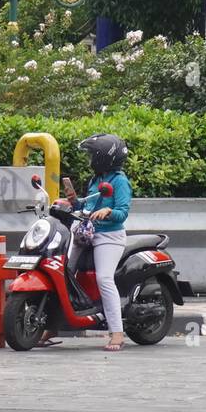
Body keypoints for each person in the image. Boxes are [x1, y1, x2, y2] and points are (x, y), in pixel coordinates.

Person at [76, 134, 133, 351]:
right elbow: (85, 205)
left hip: (109, 237)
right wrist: (69, 203)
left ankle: (116, 332)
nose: (90, 159)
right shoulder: (95, 181)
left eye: (92, 155)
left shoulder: (119, 181)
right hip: (87, 233)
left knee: (104, 278)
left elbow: (122, 213)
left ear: (103, 158)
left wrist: (108, 211)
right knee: (62, 271)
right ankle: (49, 328)